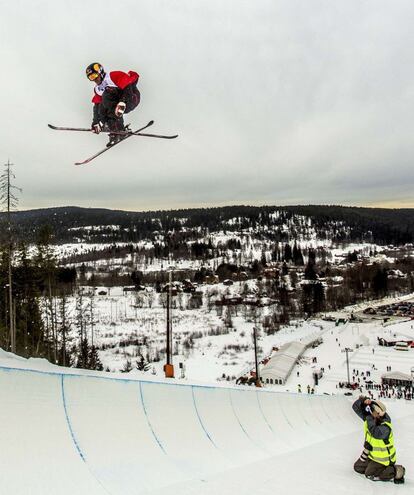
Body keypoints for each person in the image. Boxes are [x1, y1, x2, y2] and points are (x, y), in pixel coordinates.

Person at [352, 396, 405, 483]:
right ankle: (373, 466)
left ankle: (396, 470)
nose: (370, 411)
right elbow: (355, 407)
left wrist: (368, 416)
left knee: (369, 474)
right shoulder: (372, 419)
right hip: (373, 456)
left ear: (379, 412)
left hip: (384, 460)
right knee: (358, 467)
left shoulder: (385, 426)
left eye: (372, 410)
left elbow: (375, 432)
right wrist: (363, 400)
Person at [85, 63, 140, 146]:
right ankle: (115, 132)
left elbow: (127, 85)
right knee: (102, 108)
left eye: (95, 75)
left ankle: (117, 127)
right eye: (91, 77)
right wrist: (95, 122)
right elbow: (97, 105)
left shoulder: (112, 76)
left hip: (131, 98)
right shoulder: (97, 89)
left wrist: (123, 101)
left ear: (100, 72)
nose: (95, 79)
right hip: (116, 104)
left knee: (106, 94)